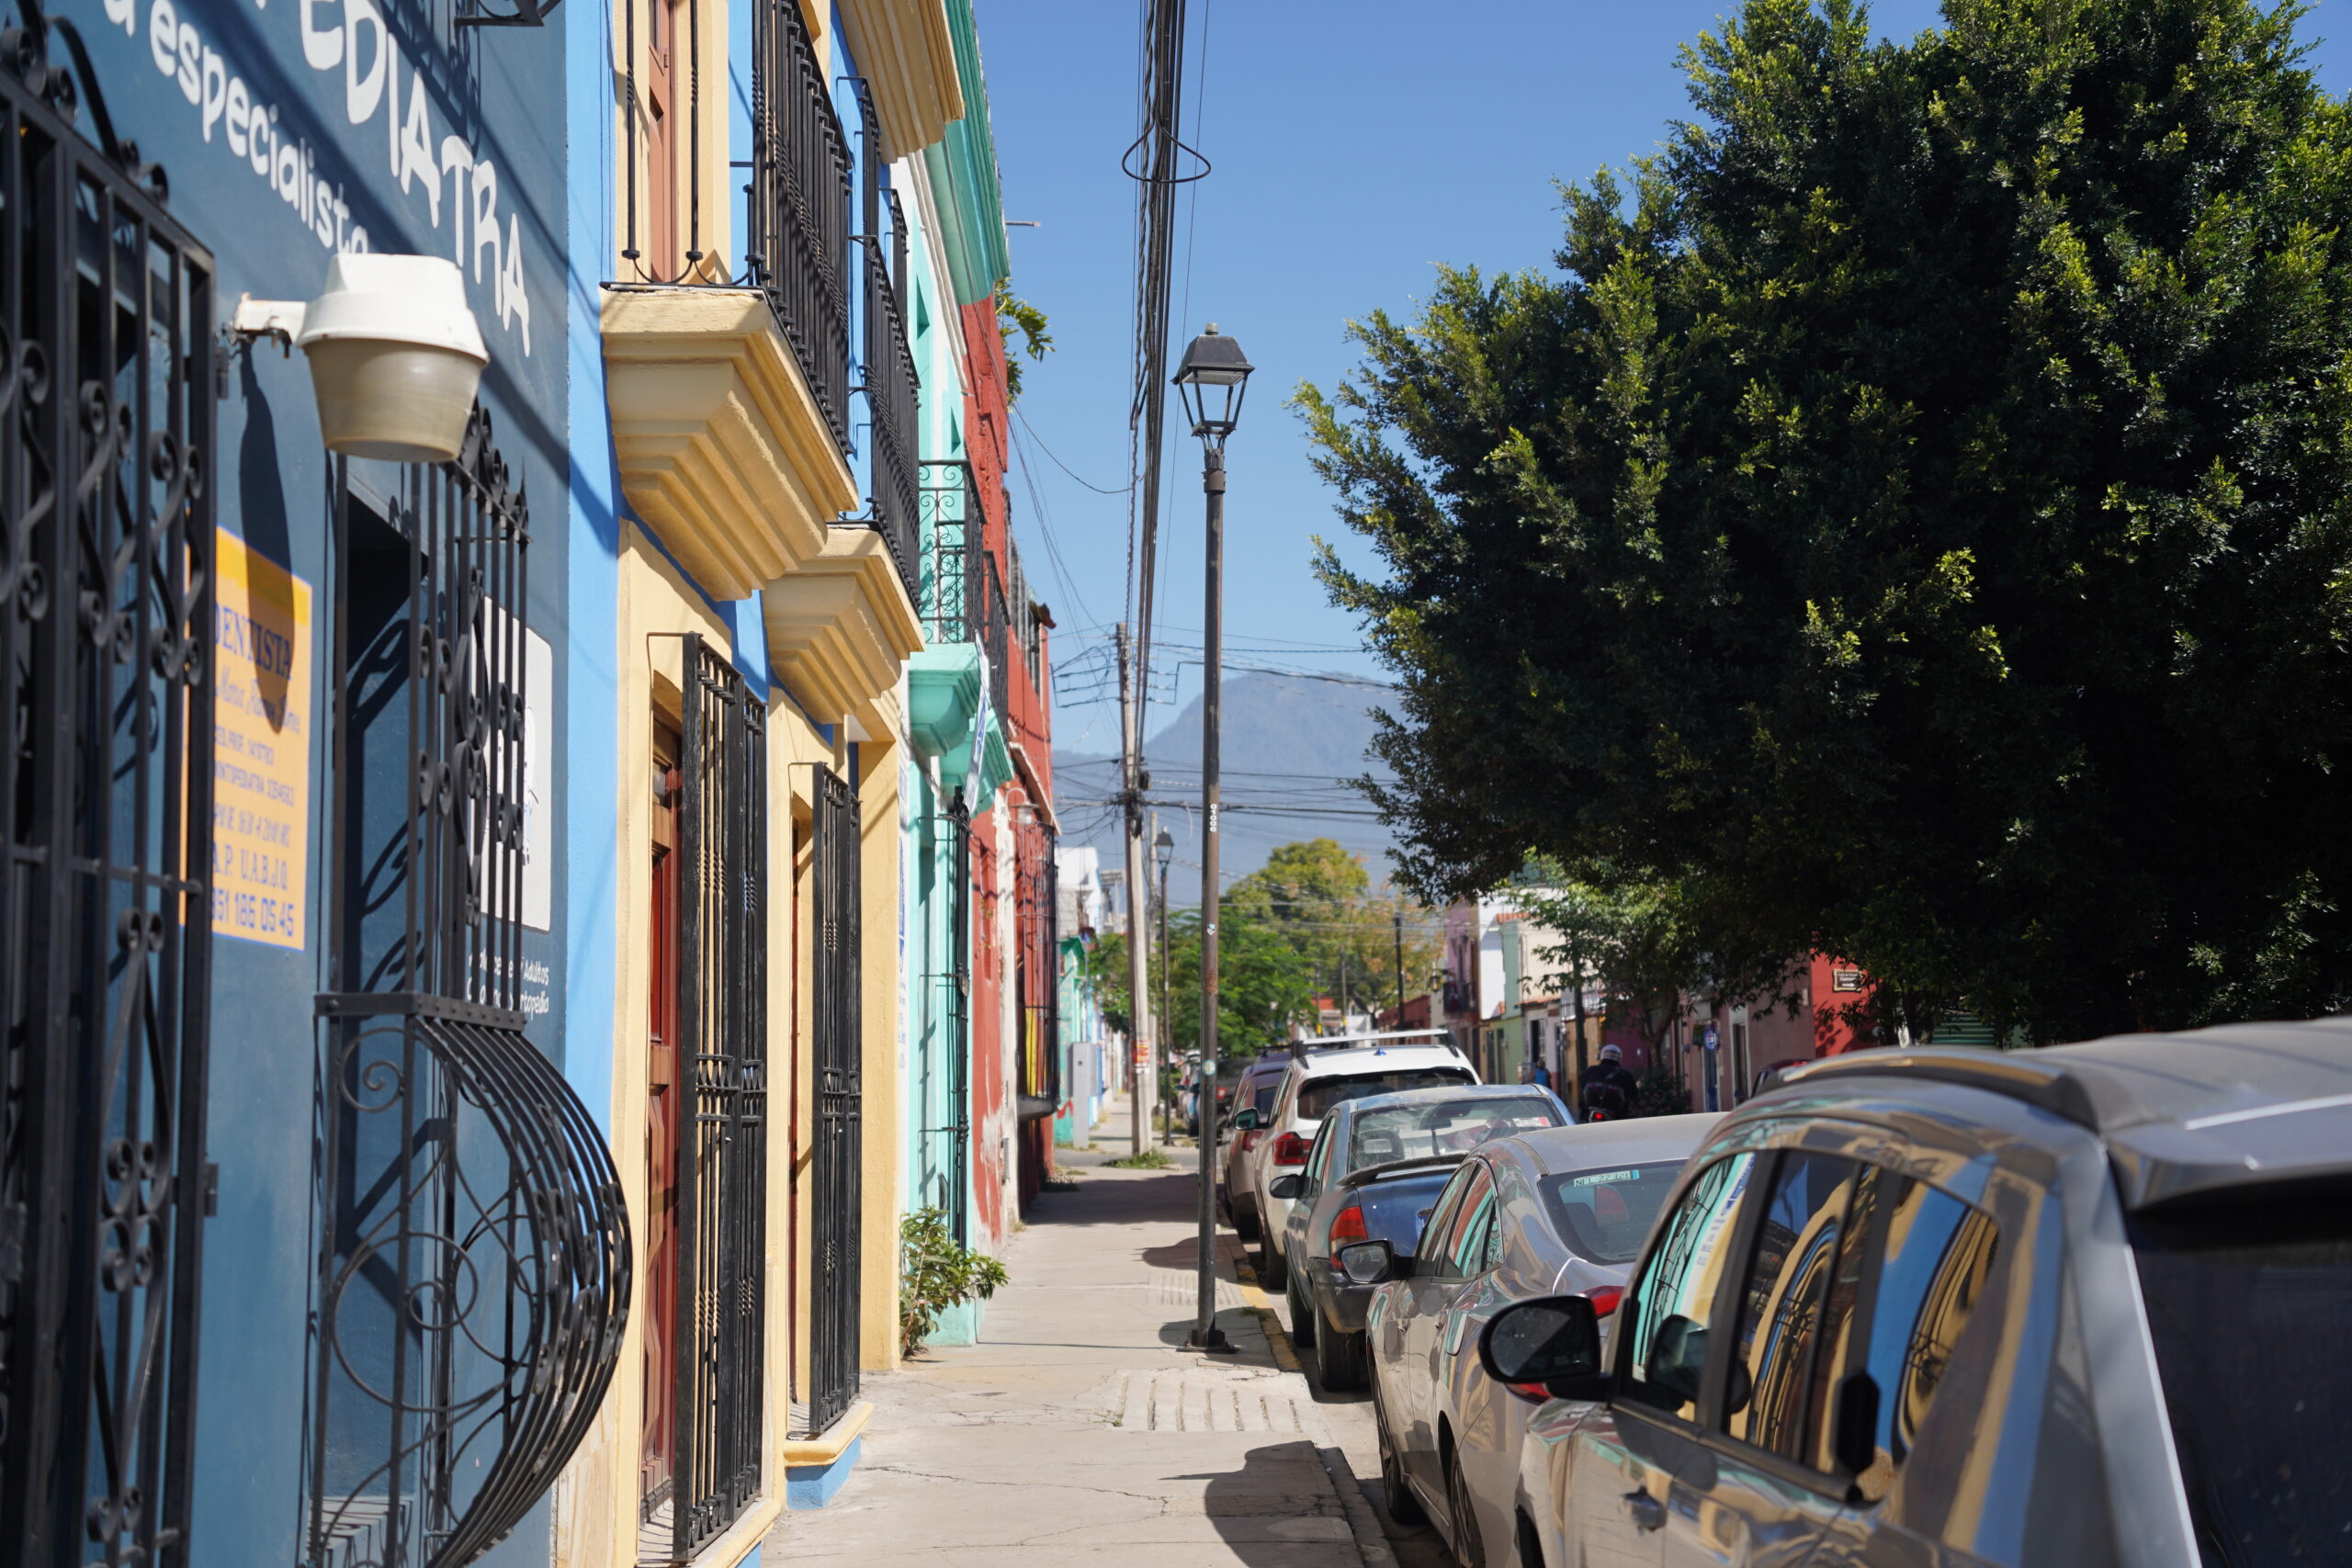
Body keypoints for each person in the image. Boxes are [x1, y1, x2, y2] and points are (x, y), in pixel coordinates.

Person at [1578, 1043, 1638, 1122]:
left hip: (1590, 1112)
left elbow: (1581, 1083)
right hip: (1617, 1115)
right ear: (1619, 1057)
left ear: (1602, 1056)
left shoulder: (1590, 1070)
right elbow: (1633, 1094)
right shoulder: (1625, 1074)